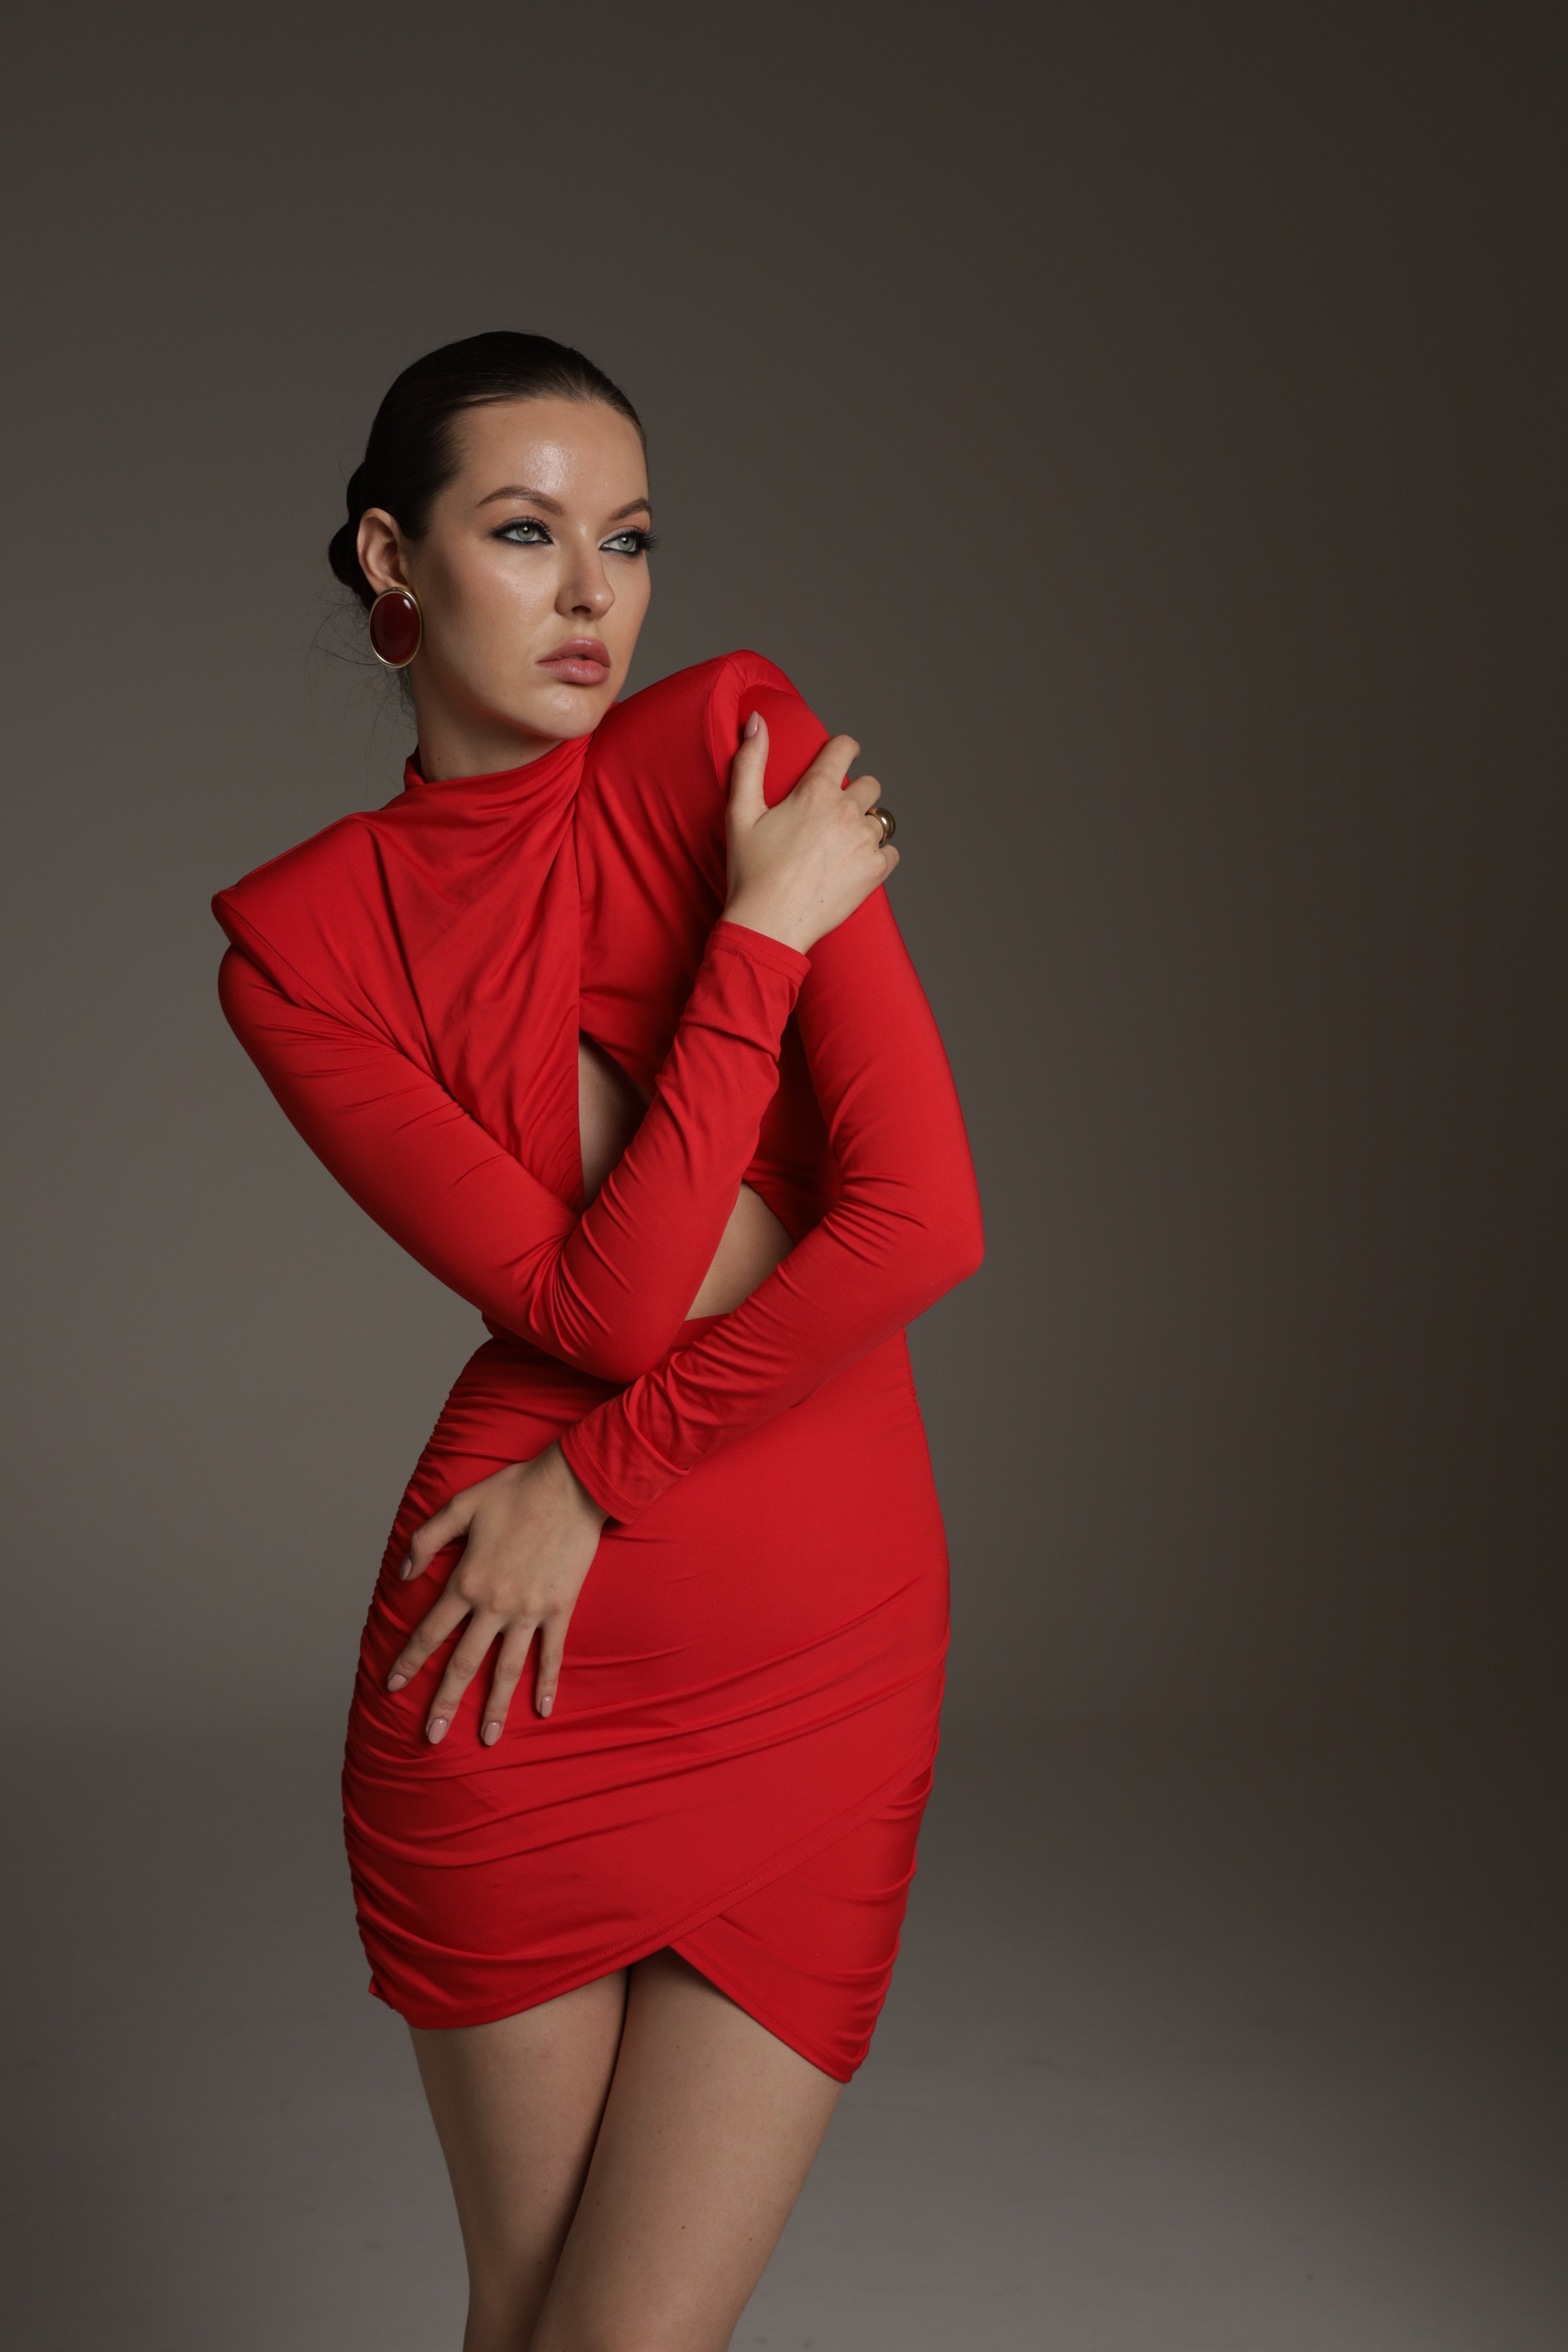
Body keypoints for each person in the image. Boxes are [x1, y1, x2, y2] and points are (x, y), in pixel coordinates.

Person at [212, 331, 983, 2352]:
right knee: (533, 2313)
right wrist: (759, 941)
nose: (590, 595)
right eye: (524, 532)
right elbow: (607, 1310)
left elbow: (924, 1222)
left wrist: (598, 1472)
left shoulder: (736, 746)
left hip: (817, 1651)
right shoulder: (305, 945)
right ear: (394, 560)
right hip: (516, 1670)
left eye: (627, 540)